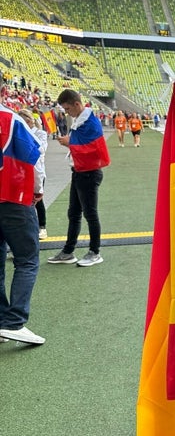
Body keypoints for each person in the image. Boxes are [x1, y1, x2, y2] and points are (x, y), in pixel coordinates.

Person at [48, 89, 110, 267]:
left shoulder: (90, 123)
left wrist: (70, 143)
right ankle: (68, 252)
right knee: (74, 213)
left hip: (89, 173)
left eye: (68, 109)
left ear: (77, 104)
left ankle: (95, 252)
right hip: (80, 172)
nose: (67, 113)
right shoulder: (81, 121)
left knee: (90, 214)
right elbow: (84, 146)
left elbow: (94, 150)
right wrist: (71, 142)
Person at [0, 105, 46, 345]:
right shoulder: (12, 118)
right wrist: (38, 189)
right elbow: (34, 157)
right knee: (27, 260)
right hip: (13, 198)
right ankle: (14, 321)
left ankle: (2, 320)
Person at [17, 109, 48, 239]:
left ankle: (42, 227)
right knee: (23, 205)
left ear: (29, 122)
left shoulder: (40, 133)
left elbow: (40, 149)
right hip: (22, 174)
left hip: (37, 173)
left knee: (37, 203)